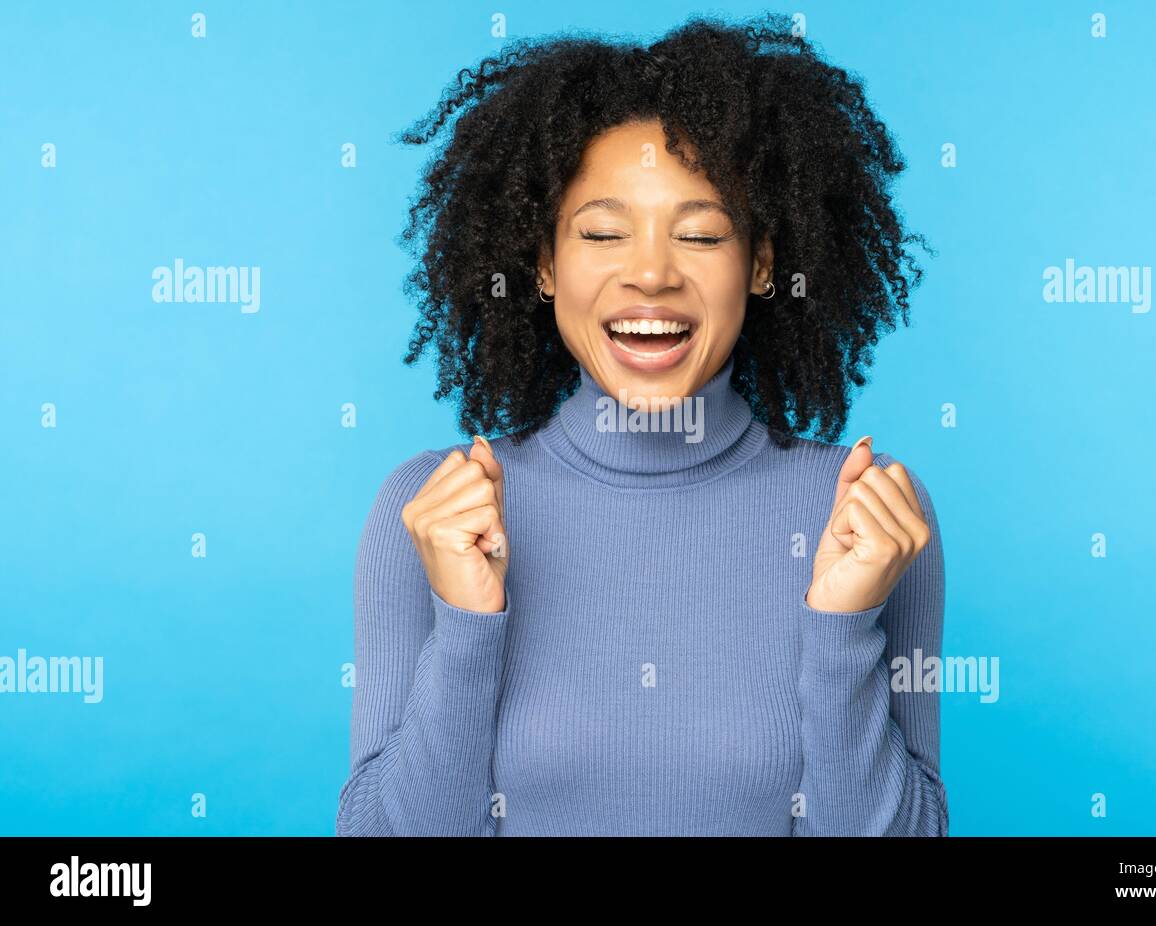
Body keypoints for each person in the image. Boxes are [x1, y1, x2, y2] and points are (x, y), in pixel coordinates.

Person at [336, 13, 947, 836]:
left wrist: (842, 629)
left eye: (699, 233)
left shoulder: (864, 520)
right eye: (602, 232)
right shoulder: (434, 512)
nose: (651, 274)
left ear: (762, 263)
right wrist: (468, 627)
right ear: (546, 265)